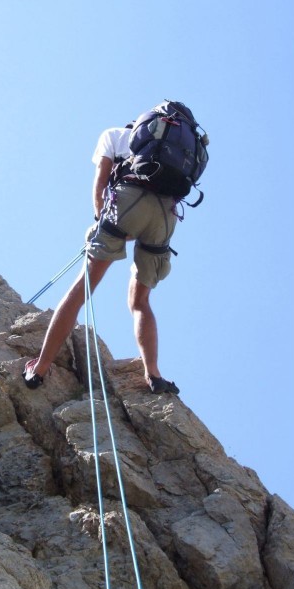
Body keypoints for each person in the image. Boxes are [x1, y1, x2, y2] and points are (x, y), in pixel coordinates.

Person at [22, 117, 180, 395]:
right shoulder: (168, 156)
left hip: (128, 201)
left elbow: (102, 179)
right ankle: (153, 374)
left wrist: (99, 222)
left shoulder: (114, 135)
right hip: (166, 215)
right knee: (141, 301)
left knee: (82, 288)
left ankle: (40, 367)